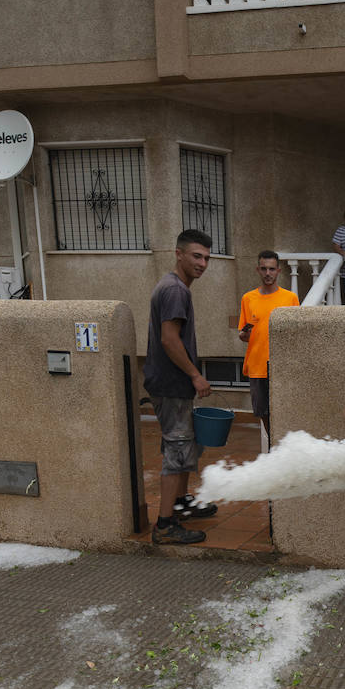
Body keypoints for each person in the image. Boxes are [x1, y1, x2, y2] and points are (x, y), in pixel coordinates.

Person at [143, 228, 217, 546]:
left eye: (206, 258)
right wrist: (195, 375)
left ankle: (181, 502)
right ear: (179, 254)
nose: (202, 263)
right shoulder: (175, 290)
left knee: (183, 444)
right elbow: (169, 339)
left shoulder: (173, 286)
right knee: (177, 449)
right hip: (172, 384)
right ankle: (164, 525)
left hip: (171, 384)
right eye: (196, 256)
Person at [237, 251, 300, 438]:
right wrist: (244, 335)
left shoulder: (290, 298)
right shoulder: (248, 298)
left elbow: (296, 333)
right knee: (263, 414)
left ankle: (283, 451)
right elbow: (244, 334)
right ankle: (275, 449)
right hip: (257, 366)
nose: (268, 273)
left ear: (278, 271)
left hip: (282, 366)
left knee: (285, 414)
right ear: (258, 270)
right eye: (263, 268)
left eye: (272, 269)